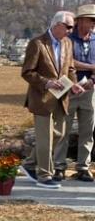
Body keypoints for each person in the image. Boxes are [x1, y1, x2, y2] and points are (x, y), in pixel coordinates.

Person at [21, 11, 86, 188]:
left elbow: (70, 69)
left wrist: (73, 84)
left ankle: (28, 164)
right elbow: (27, 72)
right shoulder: (37, 43)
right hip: (41, 99)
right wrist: (46, 83)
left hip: (61, 98)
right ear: (57, 25)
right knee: (45, 138)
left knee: (58, 135)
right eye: (69, 27)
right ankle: (44, 175)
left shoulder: (67, 43)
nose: (71, 31)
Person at [58, 4, 95, 182]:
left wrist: (92, 80)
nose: (94, 23)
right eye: (91, 19)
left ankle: (83, 167)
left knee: (87, 131)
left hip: (89, 89)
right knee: (62, 129)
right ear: (80, 21)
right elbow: (67, 61)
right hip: (68, 88)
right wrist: (90, 66)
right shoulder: (67, 40)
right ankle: (58, 166)